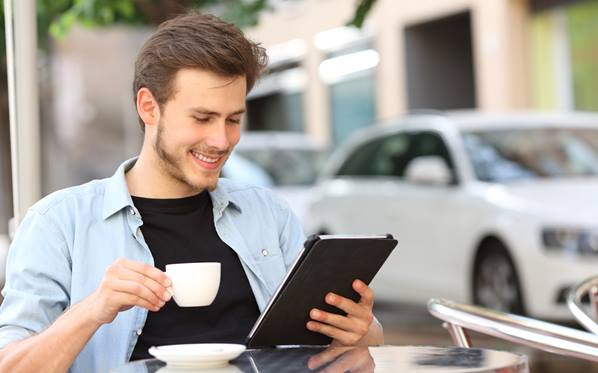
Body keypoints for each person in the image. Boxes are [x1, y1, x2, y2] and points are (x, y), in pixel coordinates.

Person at [0, 11, 383, 372]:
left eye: (233, 120)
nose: (220, 140)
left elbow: (355, 347)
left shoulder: (267, 213)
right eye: (202, 118)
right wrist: (93, 309)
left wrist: (359, 329)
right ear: (149, 107)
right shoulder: (59, 223)